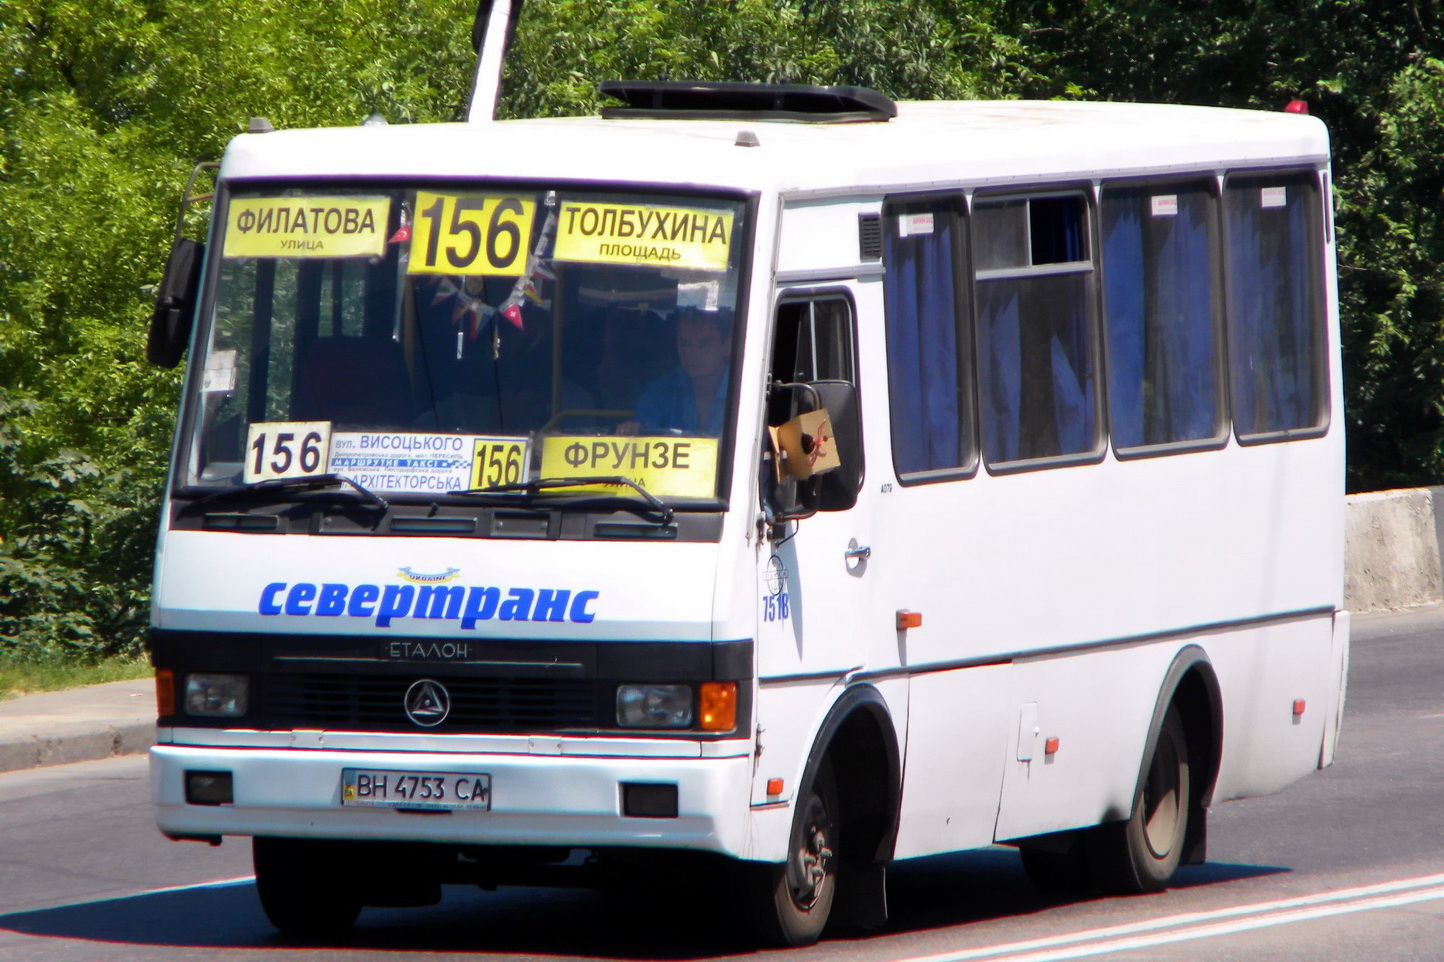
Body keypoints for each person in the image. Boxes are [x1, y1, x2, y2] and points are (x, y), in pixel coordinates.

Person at [619, 307, 732, 436]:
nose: (692, 353)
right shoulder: (658, 391)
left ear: (727, 347)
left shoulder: (745, 392)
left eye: (704, 344)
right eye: (685, 343)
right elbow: (642, 439)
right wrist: (630, 431)